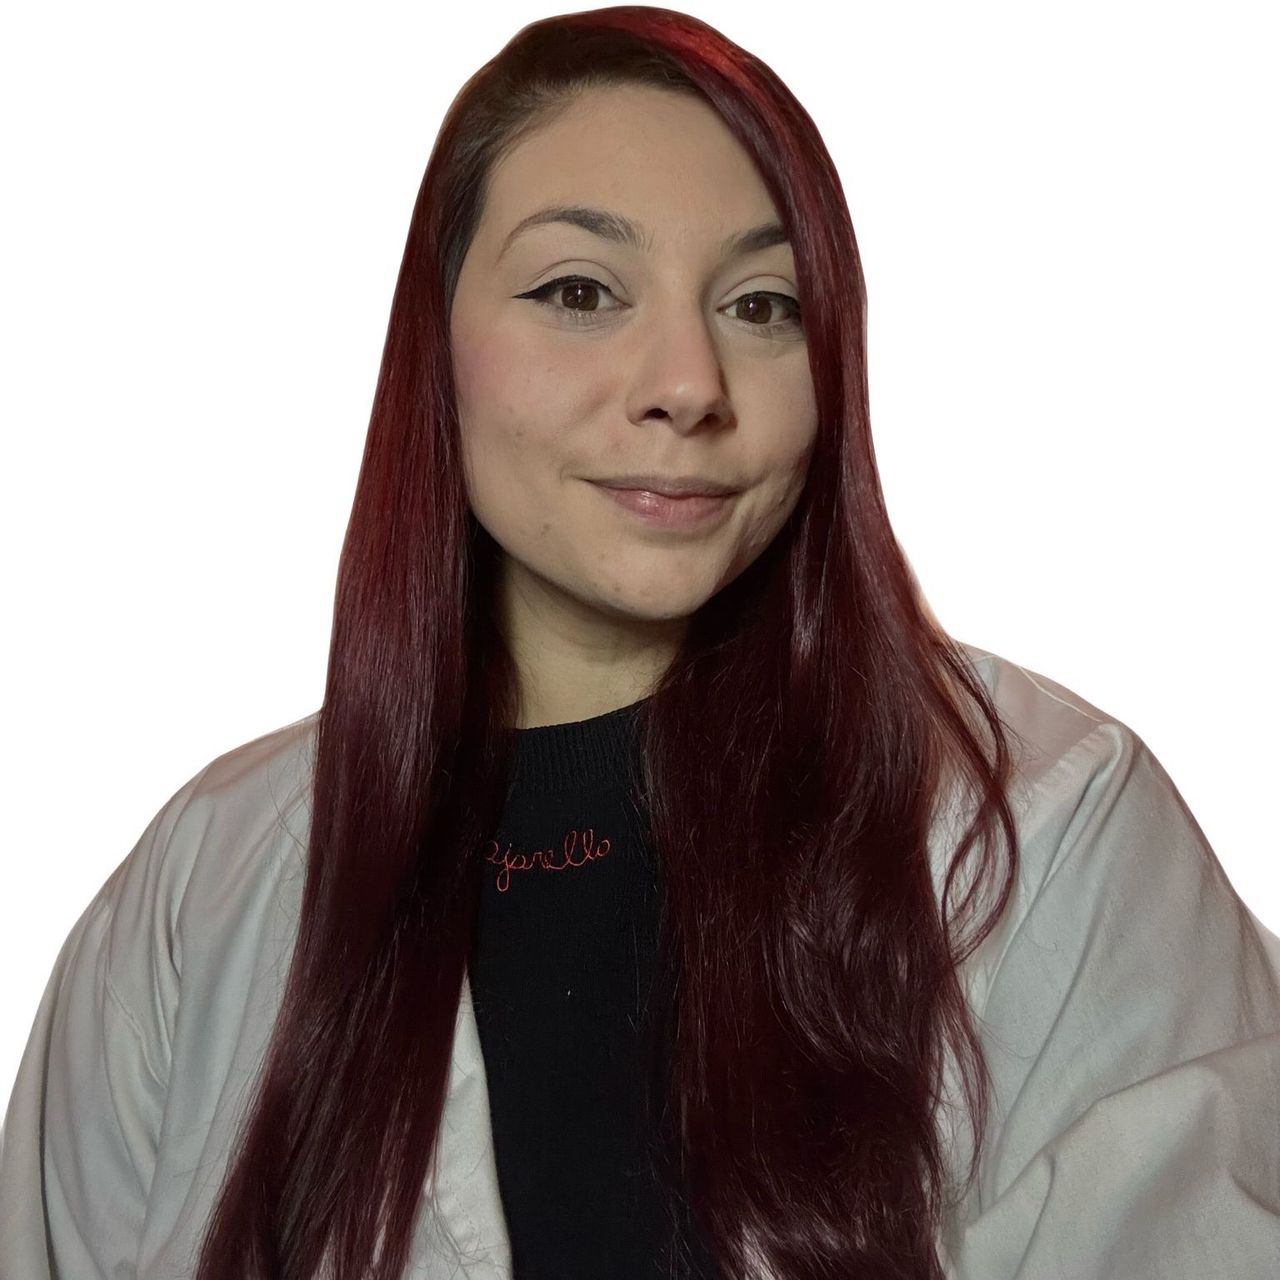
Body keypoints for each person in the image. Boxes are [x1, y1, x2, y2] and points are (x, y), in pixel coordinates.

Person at [2, 7, 1278, 1278]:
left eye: (762, 304)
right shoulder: (205, 880)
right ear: (435, 344)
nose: (687, 383)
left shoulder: (1050, 824)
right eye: (578, 291)